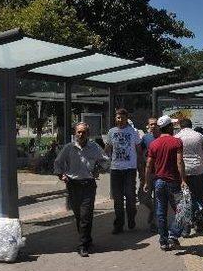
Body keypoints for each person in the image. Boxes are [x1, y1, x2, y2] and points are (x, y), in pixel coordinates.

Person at [54, 122, 109, 257]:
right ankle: (87, 240)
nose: (81, 134)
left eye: (84, 132)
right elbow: (58, 163)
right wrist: (61, 175)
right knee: (79, 216)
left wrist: (98, 168)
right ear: (75, 133)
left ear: (88, 134)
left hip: (88, 184)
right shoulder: (69, 148)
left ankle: (82, 246)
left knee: (85, 215)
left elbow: (106, 161)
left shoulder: (94, 147)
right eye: (79, 132)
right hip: (73, 185)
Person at [144, 115, 187, 251]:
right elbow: (179, 162)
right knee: (183, 210)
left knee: (161, 213)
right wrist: (184, 180)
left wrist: (146, 181)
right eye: (172, 126)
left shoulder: (154, 144)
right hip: (174, 182)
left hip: (159, 183)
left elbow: (148, 165)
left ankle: (163, 241)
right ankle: (173, 235)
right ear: (168, 127)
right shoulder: (176, 142)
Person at [105, 108, 143, 234]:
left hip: (129, 169)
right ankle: (119, 224)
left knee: (131, 196)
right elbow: (108, 149)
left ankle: (131, 217)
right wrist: (106, 160)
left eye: (121, 117)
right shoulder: (111, 132)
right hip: (115, 169)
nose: (118, 119)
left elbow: (138, 150)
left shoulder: (133, 132)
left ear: (126, 118)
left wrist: (140, 166)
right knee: (118, 198)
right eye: (117, 117)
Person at [176, 118, 203, 235]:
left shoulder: (177, 137)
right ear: (191, 125)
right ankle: (199, 219)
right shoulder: (199, 137)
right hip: (199, 170)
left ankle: (187, 224)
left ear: (180, 126)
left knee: (186, 198)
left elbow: (177, 159)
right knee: (200, 196)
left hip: (184, 172)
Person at [140, 117, 161, 232]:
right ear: (148, 126)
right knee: (142, 197)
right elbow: (140, 153)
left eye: (155, 124)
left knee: (158, 199)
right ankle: (152, 210)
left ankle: (154, 223)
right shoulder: (145, 138)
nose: (153, 126)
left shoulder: (161, 137)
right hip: (147, 172)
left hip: (159, 173)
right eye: (151, 124)